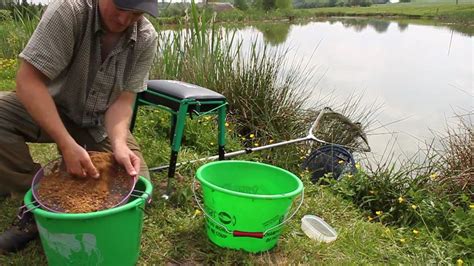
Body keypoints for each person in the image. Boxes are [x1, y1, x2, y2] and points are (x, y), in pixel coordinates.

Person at [0, 0, 158, 254]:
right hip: (49, 105)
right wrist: (65, 143)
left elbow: (124, 100)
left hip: (97, 119)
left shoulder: (146, 37)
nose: (124, 20)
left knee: (138, 185)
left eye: (136, 13)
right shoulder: (68, 11)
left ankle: (73, 197)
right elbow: (28, 81)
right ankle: (36, 207)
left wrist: (118, 144)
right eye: (119, 8)